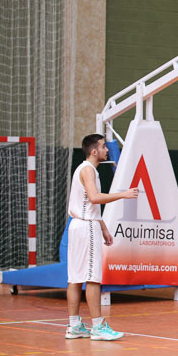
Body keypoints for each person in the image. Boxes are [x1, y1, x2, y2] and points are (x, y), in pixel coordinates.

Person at [65, 134, 138, 340]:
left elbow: (89, 204)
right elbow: (95, 197)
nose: (107, 150)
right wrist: (123, 194)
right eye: (104, 146)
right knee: (92, 278)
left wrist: (103, 227)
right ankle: (98, 326)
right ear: (94, 151)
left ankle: (74, 325)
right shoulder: (88, 169)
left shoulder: (84, 169)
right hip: (86, 228)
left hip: (79, 225)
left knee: (75, 278)